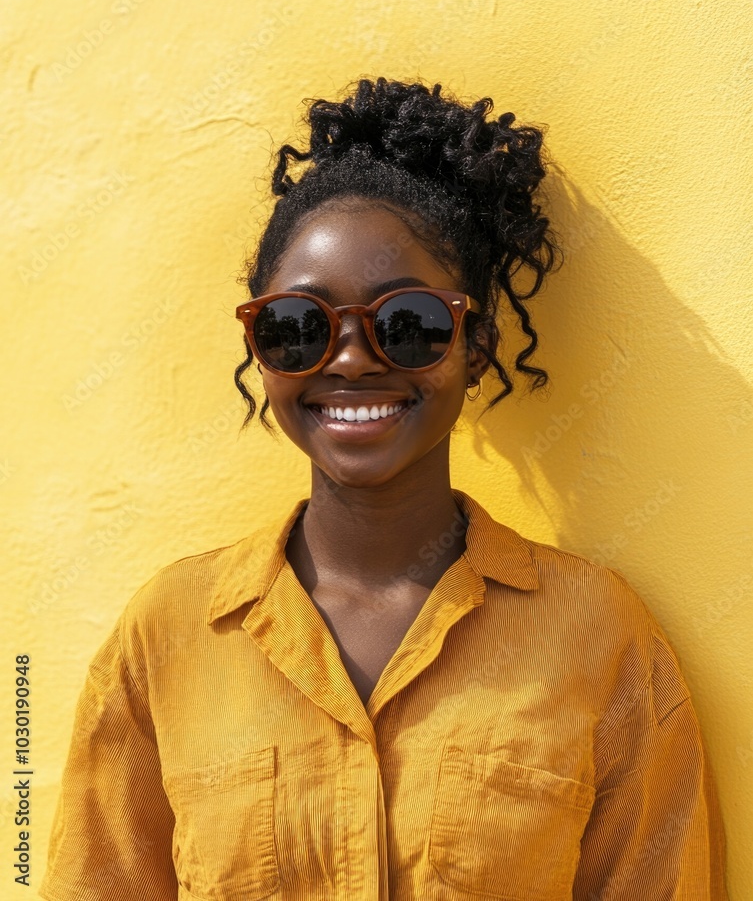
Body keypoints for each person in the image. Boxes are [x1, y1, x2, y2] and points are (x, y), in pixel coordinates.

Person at [40, 77, 728, 900]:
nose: (352, 359)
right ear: (260, 348)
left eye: (407, 322)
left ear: (474, 345)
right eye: (299, 326)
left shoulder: (598, 639)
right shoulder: (168, 639)